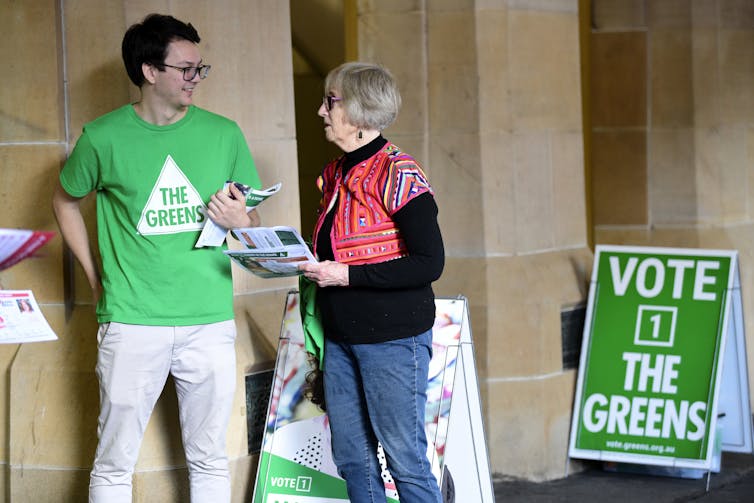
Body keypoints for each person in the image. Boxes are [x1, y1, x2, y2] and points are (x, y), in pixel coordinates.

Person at [51, 13, 261, 503]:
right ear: (149, 71)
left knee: (208, 459)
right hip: (131, 318)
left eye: (199, 68)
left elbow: (253, 227)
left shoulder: (225, 134)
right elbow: (64, 201)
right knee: (113, 462)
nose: (195, 78)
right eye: (185, 68)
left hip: (209, 318)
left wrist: (241, 223)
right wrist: (94, 276)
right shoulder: (102, 138)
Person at [299, 61, 445, 503]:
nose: (321, 111)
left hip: (393, 339)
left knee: (405, 461)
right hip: (341, 339)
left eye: (330, 101)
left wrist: (346, 274)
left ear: (360, 111)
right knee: (353, 460)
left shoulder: (400, 172)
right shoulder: (335, 174)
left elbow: (429, 262)